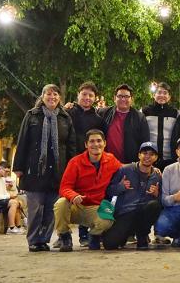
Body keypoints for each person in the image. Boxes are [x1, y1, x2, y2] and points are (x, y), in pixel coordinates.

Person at [13, 84, 76, 252]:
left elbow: (70, 145)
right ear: (42, 97)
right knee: (35, 208)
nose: (52, 97)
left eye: (55, 94)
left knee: (51, 209)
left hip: (57, 171)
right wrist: (18, 167)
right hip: (35, 170)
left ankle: (44, 240)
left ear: (59, 98)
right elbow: (23, 141)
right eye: (48, 94)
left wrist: (72, 169)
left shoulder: (65, 118)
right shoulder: (32, 115)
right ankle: (33, 240)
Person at [53, 129, 123, 251]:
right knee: (60, 203)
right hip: (76, 206)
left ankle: (94, 235)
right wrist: (73, 196)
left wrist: (146, 168)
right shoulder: (75, 162)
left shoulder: (111, 159)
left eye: (99, 141)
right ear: (86, 145)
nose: (96, 144)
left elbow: (125, 168)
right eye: (92, 141)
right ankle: (64, 236)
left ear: (105, 143)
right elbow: (64, 187)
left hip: (97, 207)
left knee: (108, 217)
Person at [62, 81, 104, 247]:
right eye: (84, 94)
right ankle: (63, 235)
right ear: (78, 95)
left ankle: (84, 234)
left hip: (90, 163)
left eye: (90, 95)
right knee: (66, 197)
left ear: (94, 98)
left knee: (88, 196)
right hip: (69, 160)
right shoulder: (67, 113)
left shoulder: (98, 119)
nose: (87, 98)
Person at [103, 142, 162, 250]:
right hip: (126, 213)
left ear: (156, 157)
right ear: (139, 155)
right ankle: (125, 235)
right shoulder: (125, 170)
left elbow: (162, 198)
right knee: (109, 244)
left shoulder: (157, 175)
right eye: (144, 153)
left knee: (154, 205)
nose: (147, 156)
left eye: (151, 154)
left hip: (143, 213)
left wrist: (157, 194)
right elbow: (109, 191)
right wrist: (121, 187)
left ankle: (142, 235)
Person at [99, 84, 150, 163]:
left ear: (132, 99)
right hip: (106, 163)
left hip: (130, 165)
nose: (123, 99)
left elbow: (145, 142)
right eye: (120, 96)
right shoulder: (103, 113)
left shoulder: (140, 118)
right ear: (114, 98)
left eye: (126, 96)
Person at [142, 82, 180, 170]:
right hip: (149, 158)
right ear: (154, 95)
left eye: (165, 93)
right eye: (159, 92)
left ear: (169, 97)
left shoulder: (175, 113)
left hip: (170, 159)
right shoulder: (145, 111)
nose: (162, 95)